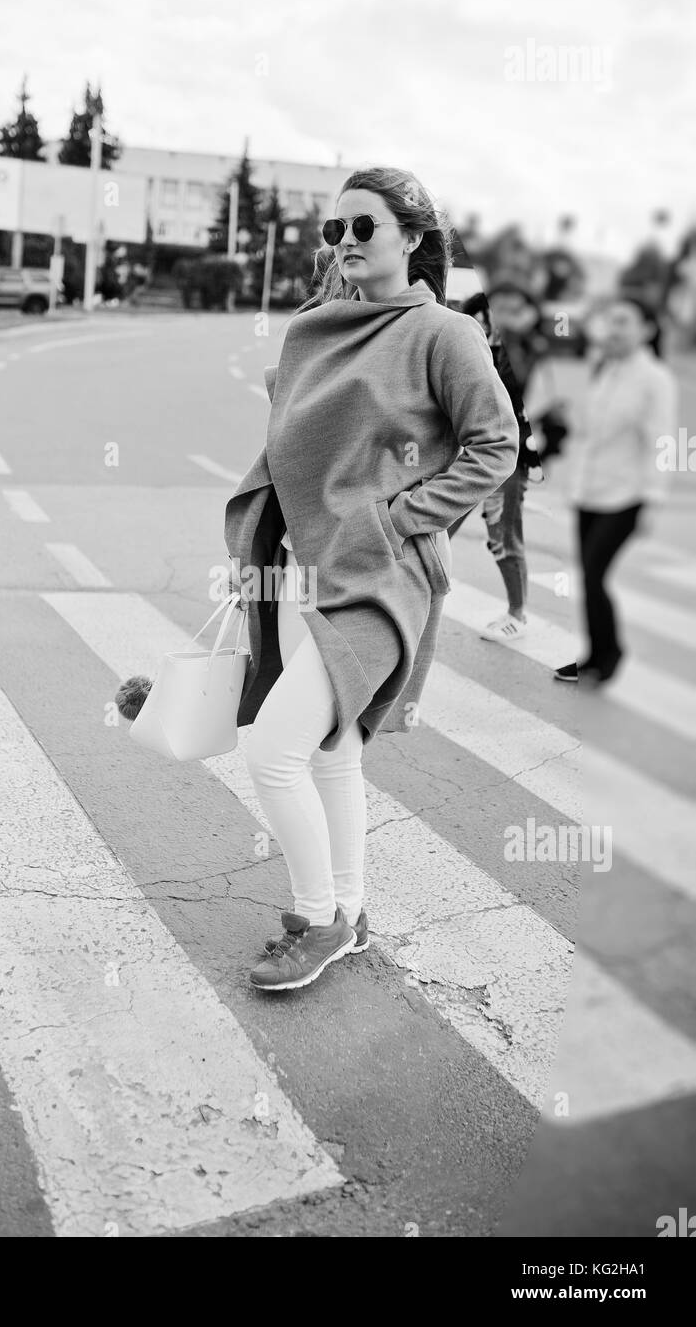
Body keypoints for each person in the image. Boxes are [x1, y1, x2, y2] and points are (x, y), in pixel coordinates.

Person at [222, 166, 519, 992]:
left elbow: (495, 446)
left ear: (412, 239)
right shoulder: (315, 328)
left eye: (364, 228)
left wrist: (398, 518)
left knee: (275, 750)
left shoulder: (443, 334)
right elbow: (288, 445)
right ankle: (347, 912)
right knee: (331, 752)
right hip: (302, 567)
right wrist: (261, 552)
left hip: (381, 575)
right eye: (334, 230)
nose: (345, 242)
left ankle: (319, 920)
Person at [554, 295, 678, 685]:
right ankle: (593, 654)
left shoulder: (655, 380)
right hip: (589, 491)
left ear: (647, 330)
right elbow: (590, 433)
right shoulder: (604, 369)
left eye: (624, 321)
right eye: (610, 322)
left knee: (593, 575)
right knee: (589, 577)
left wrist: (653, 501)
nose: (614, 329)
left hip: (626, 496)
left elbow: (662, 442)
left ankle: (606, 657)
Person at [447, 280, 545, 643]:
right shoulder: (481, 342)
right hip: (465, 457)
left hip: (507, 462)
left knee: (503, 538)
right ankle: (418, 598)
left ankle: (517, 615)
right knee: (438, 528)